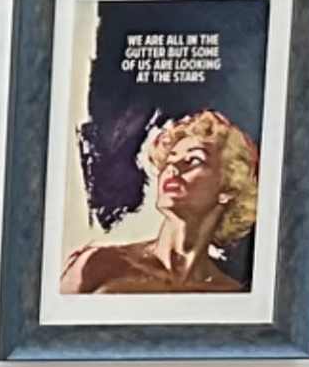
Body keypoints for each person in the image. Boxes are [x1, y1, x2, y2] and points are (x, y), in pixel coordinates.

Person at [63, 108, 259, 297]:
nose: (172, 169)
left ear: (228, 189)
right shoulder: (97, 264)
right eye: (170, 160)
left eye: (193, 160)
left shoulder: (230, 293)